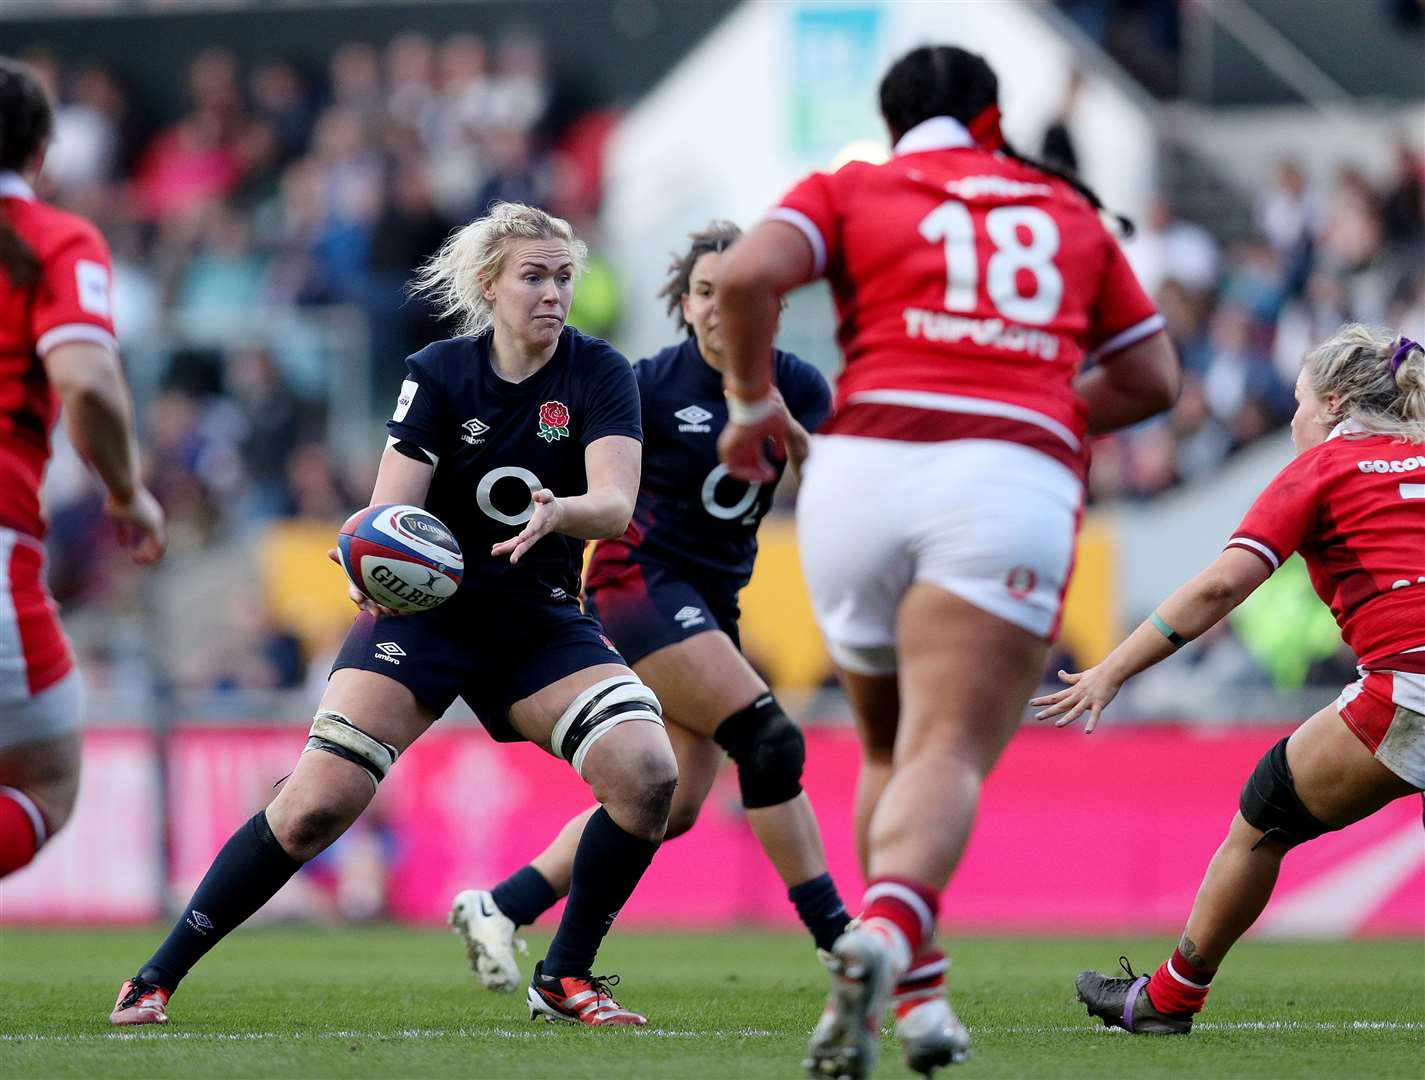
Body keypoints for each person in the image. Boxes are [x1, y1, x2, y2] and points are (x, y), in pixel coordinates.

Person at [715, 45, 1180, 1078]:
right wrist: (1046, 411)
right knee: (945, 756)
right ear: (991, 117)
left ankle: (917, 1004)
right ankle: (880, 938)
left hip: (858, 472)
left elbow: (748, 275)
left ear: (893, 126)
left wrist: (752, 407)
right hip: (1001, 482)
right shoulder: (1063, 207)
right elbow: (1150, 376)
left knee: (889, 753)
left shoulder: (855, 185)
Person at [110, 202, 678, 1029]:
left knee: (647, 775)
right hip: (428, 618)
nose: (552, 292)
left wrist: (562, 514)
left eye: (563, 277)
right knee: (313, 805)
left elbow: (616, 503)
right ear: (489, 285)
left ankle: (565, 976)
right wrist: (368, 567)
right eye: (533, 276)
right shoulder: (440, 371)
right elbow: (388, 515)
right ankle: (156, 975)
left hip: (541, 619)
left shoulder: (598, 372)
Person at [449, 221, 848, 992]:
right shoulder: (646, 385)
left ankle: (502, 905)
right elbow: (580, 479)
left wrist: (792, 435)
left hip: (710, 604)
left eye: (737, 293)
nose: (717, 307)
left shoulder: (799, 386)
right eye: (703, 292)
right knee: (768, 742)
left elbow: (837, 494)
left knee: (671, 803)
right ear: (684, 302)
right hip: (639, 585)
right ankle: (840, 937)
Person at [1034, 325, 1425, 1034]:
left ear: (1333, 403)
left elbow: (1219, 588)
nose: (1290, 419)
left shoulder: (1320, 469)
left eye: (1298, 402)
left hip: (1408, 688)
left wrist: (1111, 670)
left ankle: (1165, 1000)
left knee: (1266, 811)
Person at [0, 58, 166, 879]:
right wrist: (128, 492)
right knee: (47, 786)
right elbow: (87, 380)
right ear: (39, 155)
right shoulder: (53, 239)